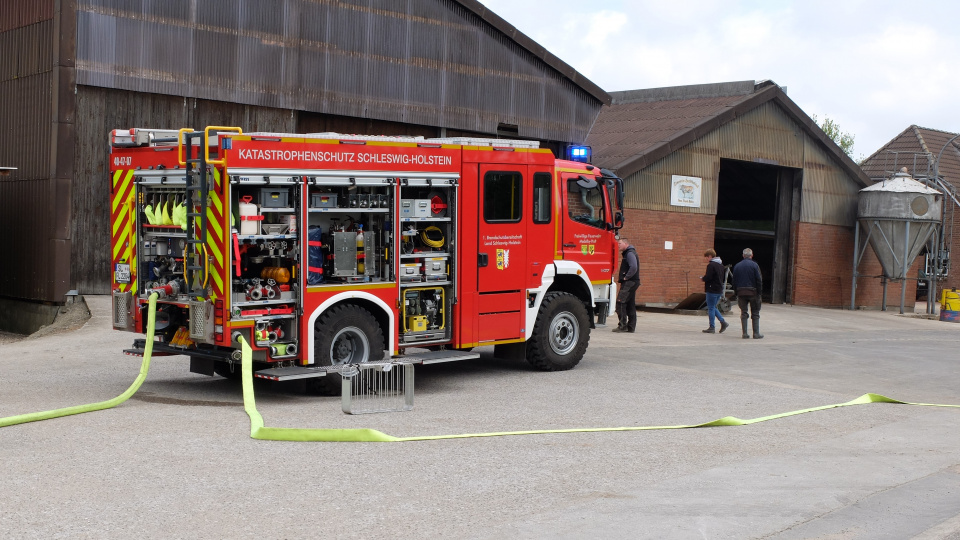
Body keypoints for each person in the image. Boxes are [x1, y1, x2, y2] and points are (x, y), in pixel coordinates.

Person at [732, 247, 763, 339]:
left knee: (743, 312)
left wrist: (736, 292)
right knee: (755, 313)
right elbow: (759, 280)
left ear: (743, 255)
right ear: (751, 255)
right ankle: (756, 333)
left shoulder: (737, 266)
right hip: (753, 292)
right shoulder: (755, 265)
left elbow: (734, 281)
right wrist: (759, 293)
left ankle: (745, 333)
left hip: (741, 292)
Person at [613, 238, 639, 333]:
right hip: (633, 282)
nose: (618, 245)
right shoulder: (630, 252)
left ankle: (622, 326)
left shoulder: (629, 253)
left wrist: (626, 277)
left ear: (625, 243)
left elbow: (634, 267)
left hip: (629, 282)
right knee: (630, 304)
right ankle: (631, 327)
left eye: (619, 243)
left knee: (620, 303)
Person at [700, 249, 729, 334]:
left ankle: (712, 327)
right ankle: (723, 322)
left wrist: (703, 279)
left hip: (712, 289)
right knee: (714, 307)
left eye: (706, 257)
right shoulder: (721, 265)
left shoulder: (711, 265)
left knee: (711, 308)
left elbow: (709, 277)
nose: (706, 259)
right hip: (719, 289)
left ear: (710, 256)